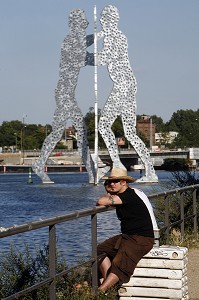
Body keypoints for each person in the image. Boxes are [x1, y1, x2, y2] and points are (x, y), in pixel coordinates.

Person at [32, 9, 108, 183]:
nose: (86, 24)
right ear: (74, 24)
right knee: (79, 132)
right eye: (83, 22)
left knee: (60, 132)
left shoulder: (76, 41)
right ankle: (92, 173)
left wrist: (101, 35)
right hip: (64, 93)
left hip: (66, 93)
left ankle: (41, 163)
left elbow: (86, 44)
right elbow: (86, 58)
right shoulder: (69, 42)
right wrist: (105, 50)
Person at [96, 5, 158, 183]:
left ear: (110, 20)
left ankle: (117, 163)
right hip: (128, 84)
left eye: (104, 18)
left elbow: (104, 58)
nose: (101, 21)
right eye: (101, 18)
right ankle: (150, 171)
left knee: (103, 125)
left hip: (123, 85)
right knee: (130, 133)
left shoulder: (114, 37)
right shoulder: (117, 35)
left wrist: (86, 58)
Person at [96, 168, 158, 292]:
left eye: (115, 181)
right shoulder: (128, 194)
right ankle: (107, 282)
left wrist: (107, 192)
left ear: (123, 182)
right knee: (99, 251)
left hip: (142, 238)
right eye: (109, 182)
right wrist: (110, 191)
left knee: (121, 263)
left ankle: (101, 292)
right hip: (128, 236)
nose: (111, 184)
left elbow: (101, 201)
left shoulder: (128, 195)